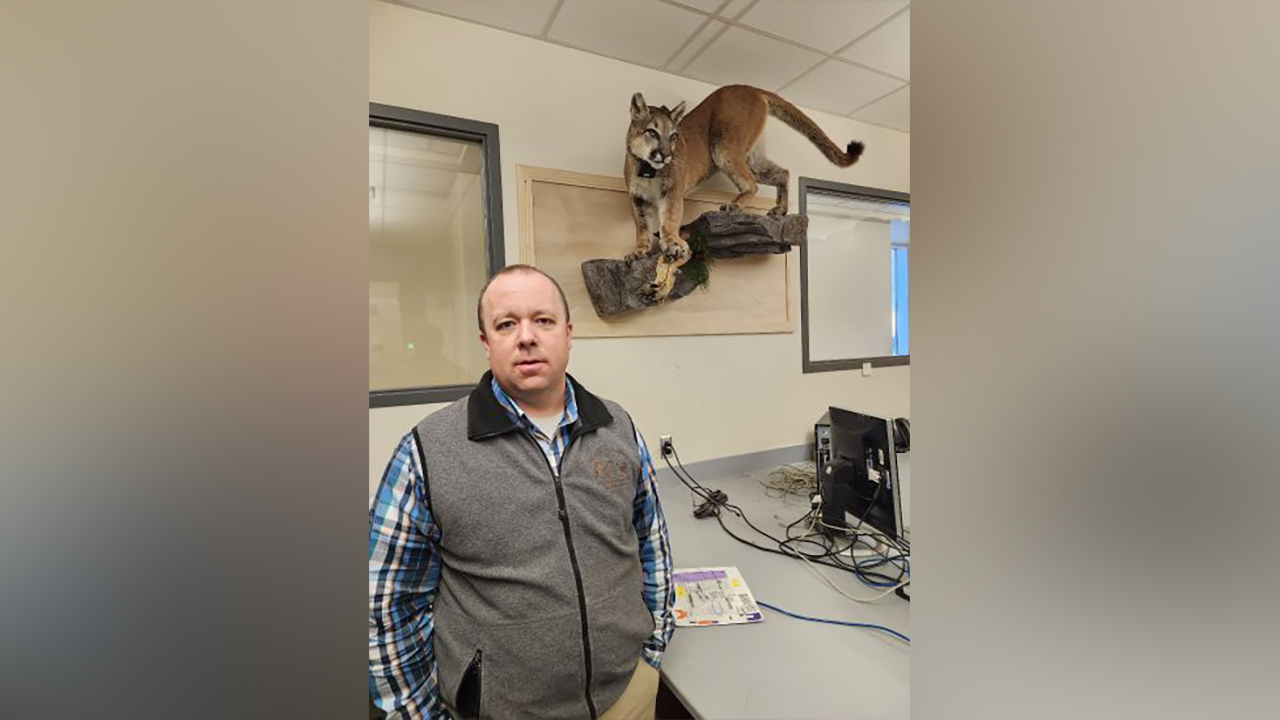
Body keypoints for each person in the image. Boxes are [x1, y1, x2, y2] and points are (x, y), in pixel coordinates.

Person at [369, 264, 676, 719]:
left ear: (568, 334)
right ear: (486, 342)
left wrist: (652, 646)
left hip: (624, 695)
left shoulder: (619, 428)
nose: (526, 337)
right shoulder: (427, 451)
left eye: (543, 320)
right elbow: (386, 604)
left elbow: (651, 543)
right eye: (506, 324)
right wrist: (418, 713)